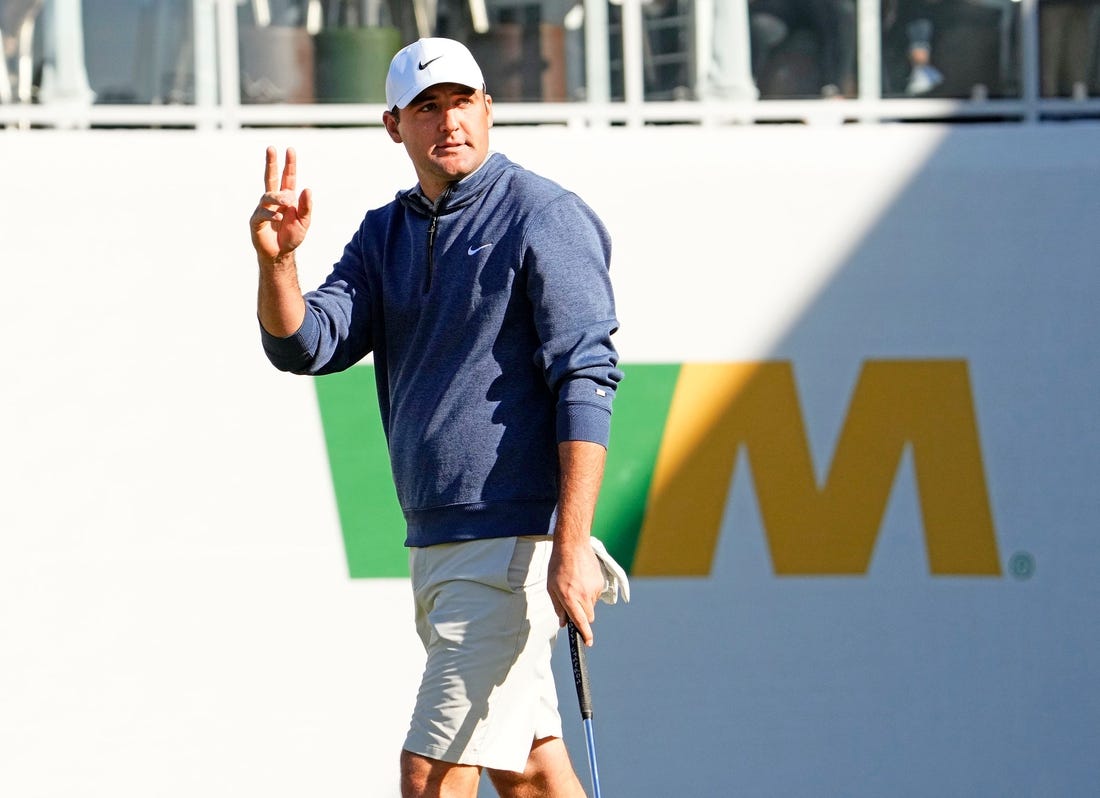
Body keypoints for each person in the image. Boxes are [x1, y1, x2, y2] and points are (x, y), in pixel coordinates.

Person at [248, 37, 625, 798]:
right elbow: (306, 345)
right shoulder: (385, 231)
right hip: (439, 544)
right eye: (428, 107)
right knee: (530, 776)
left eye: (462, 102)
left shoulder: (542, 216)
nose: (448, 121)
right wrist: (278, 264)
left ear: (489, 109)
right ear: (395, 126)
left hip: (510, 548)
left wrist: (571, 546)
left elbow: (586, 379)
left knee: (430, 773)